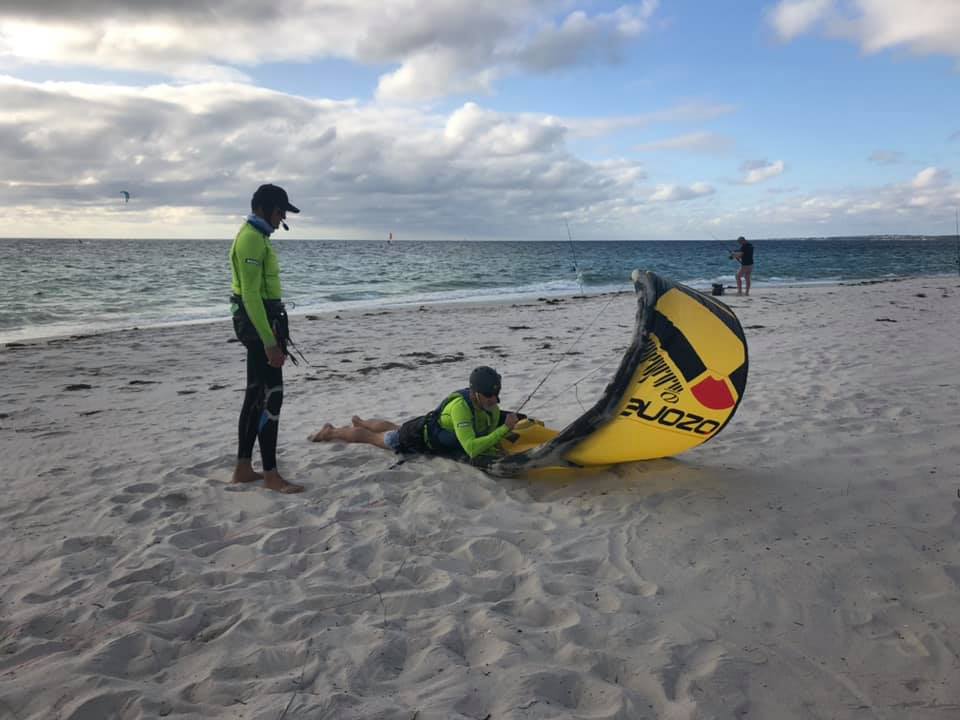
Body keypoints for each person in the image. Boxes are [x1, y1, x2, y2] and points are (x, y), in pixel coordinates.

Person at [229, 184, 304, 493]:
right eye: (279, 211)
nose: (282, 217)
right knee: (271, 397)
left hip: (264, 321)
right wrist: (269, 342)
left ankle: (244, 468)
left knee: (254, 395)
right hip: (258, 324)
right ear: (263, 208)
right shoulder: (250, 239)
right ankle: (271, 475)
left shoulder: (257, 237)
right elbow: (249, 295)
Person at [308, 366, 520, 463]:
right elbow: (472, 449)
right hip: (417, 438)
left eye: (496, 393)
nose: (493, 399)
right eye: (488, 395)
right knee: (375, 438)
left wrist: (499, 440)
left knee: (394, 428)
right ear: (475, 393)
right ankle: (332, 432)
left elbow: (488, 430)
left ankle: (361, 421)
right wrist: (504, 429)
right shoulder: (460, 408)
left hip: (424, 425)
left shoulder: (491, 404)